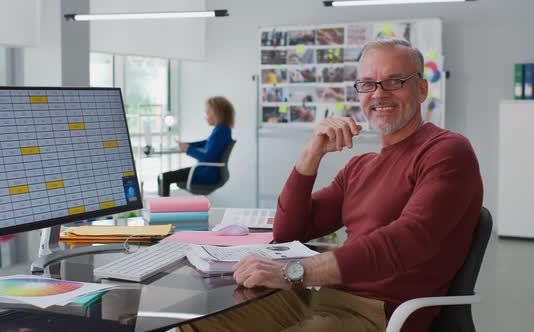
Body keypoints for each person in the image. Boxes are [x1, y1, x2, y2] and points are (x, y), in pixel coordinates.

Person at [180, 39, 483, 332]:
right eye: (367, 83)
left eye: (394, 81)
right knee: (192, 324)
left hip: (378, 315)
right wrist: (310, 155)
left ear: (421, 88)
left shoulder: (447, 151)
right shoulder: (360, 167)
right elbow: (290, 232)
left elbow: (407, 241)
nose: (379, 94)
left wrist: (294, 272)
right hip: (315, 298)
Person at [158, 96, 234, 197]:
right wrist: (186, 144)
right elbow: (206, 142)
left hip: (206, 174)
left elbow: (207, 159)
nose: (205, 116)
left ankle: (163, 209)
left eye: (207, 113)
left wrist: (187, 149)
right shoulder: (223, 130)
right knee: (165, 177)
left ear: (217, 114)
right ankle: (164, 208)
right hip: (210, 172)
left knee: (163, 177)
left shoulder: (220, 131)